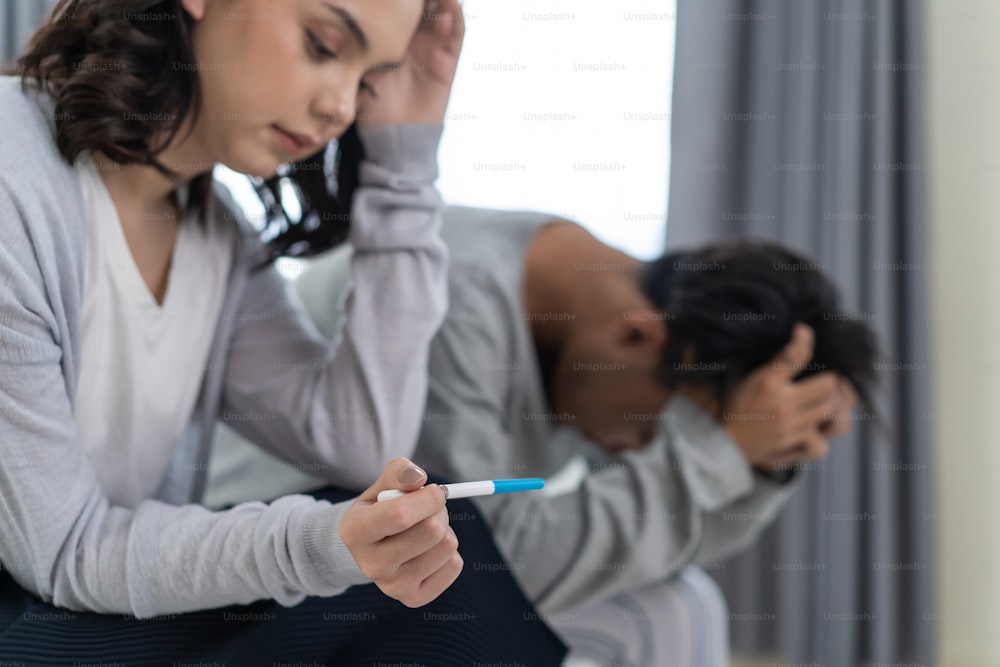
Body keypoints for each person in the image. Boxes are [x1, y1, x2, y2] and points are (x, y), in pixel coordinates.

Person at [0, 1, 568, 664]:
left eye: (368, 78)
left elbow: (359, 439)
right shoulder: (15, 182)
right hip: (31, 608)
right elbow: (67, 551)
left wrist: (405, 165)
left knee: (426, 529)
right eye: (325, 44)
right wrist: (327, 544)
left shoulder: (212, 235)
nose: (342, 109)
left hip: (71, 608)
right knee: (389, 569)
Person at [207, 205, 878, 667]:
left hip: (379, 574)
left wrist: (761, 463)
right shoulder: (449, 298)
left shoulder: (591, 327)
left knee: (678, 597)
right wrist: (716, 455)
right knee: (664, 614)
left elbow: (658, 540)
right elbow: (484, 572)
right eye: (655, 430)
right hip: (264, 570)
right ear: (639, 333)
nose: (638, 452)